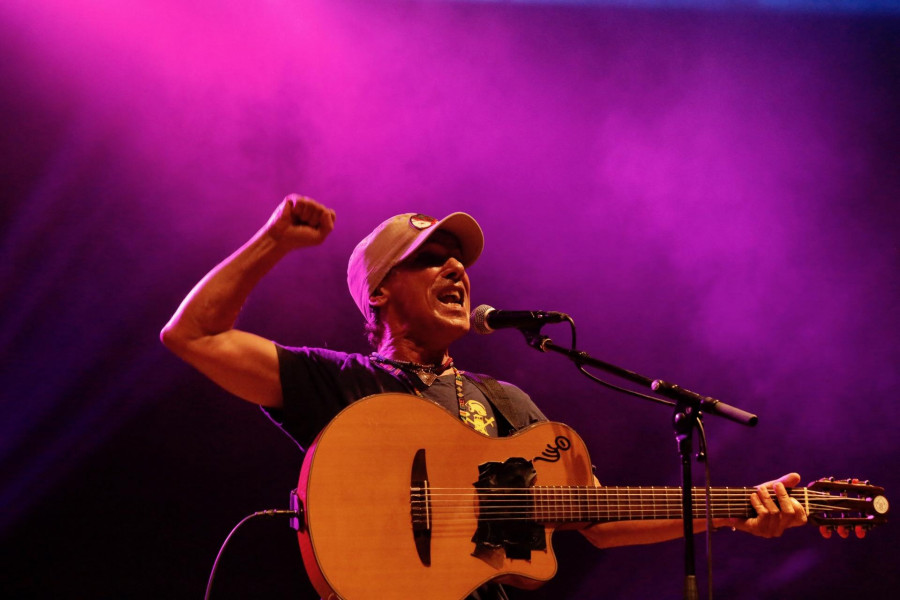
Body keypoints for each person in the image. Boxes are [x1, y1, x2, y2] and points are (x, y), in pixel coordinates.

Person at [161, 194, 809, 599]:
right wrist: (274, 241)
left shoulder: (507, 404)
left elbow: (599, 518)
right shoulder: (342, 381)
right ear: (381, 293)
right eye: (430, 258)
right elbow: (194, 335)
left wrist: (734, 510)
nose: (456, 269)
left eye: (459, 259)